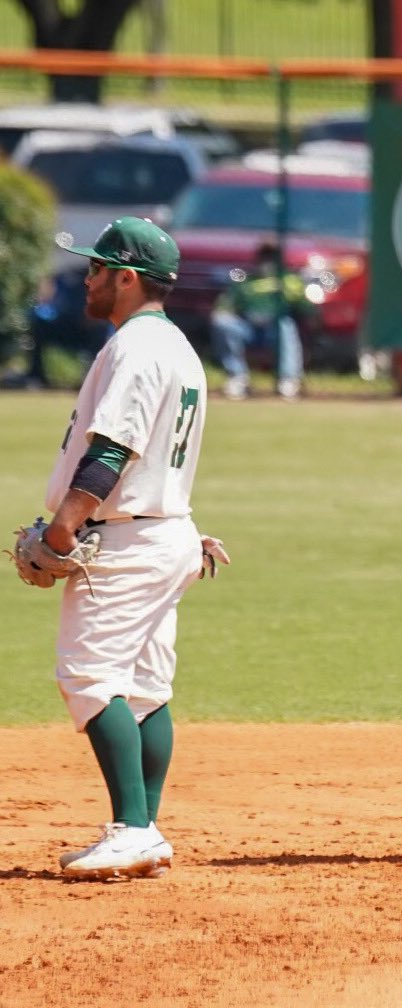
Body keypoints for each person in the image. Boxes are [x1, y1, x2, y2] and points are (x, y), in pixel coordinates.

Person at [13, 215, 227, 880]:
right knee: (142, 690)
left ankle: (133, 830)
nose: (88, 278)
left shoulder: (136, 348)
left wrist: (62, 528)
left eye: (97, 268)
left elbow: (115, 446)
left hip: (129, 539)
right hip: (166, 532)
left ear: (127, 278)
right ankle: (145, 830)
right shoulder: (178, 347)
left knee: (88, 676)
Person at [210, 239, 308, 399]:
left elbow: (305, 308)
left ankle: (288, 379)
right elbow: (226, 306)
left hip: (275, 331)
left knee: (285, 325)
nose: (267, 262)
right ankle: (237, 377)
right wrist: (225, 313)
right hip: (249, 329)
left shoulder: (289, 279)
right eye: (265, 257)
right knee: (222, 322)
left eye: (272, 257)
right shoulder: (247, 281)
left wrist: (292, 297)